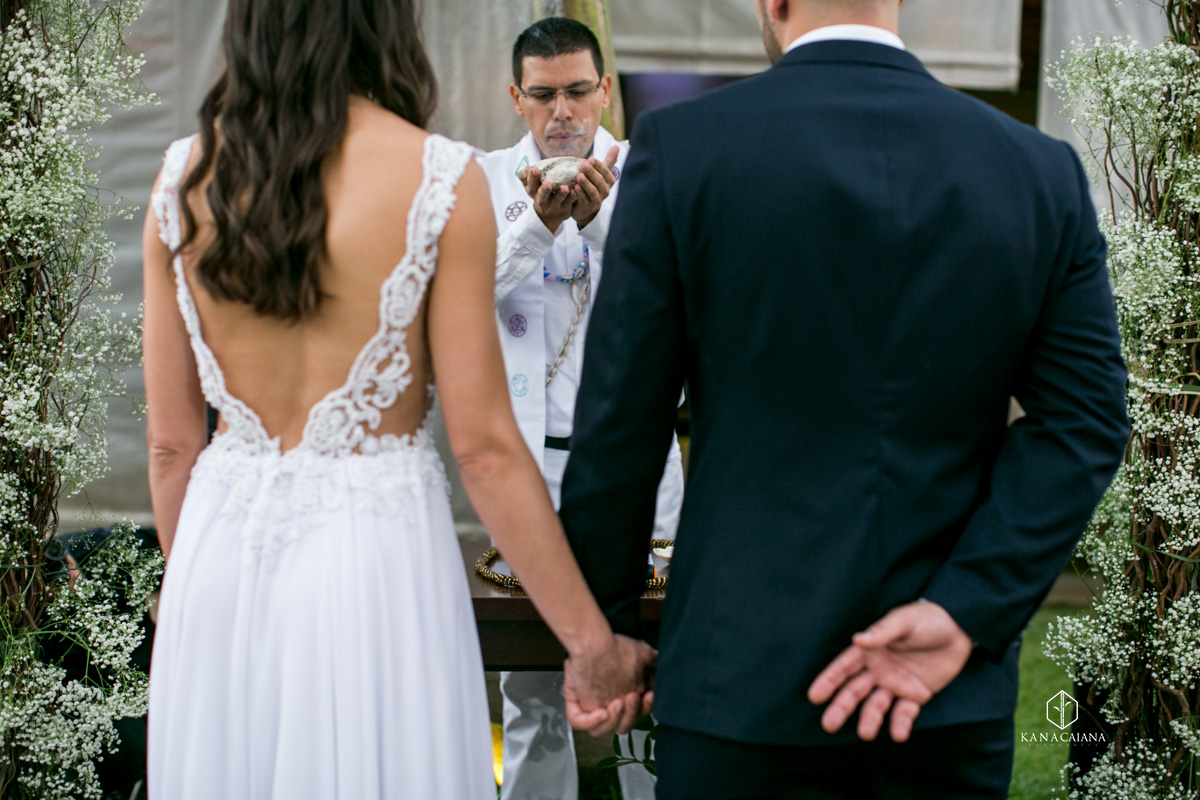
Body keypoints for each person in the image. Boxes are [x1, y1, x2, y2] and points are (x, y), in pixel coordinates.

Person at [557, 0, 1130, 798]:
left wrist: (607, 627)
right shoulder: (1038, 169)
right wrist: (966, 608)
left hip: (738, 683)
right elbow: (1086, 420)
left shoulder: (685, 148)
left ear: (773, 3)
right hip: (938, 701)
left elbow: (621, 416)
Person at [141, 2, 653, 798]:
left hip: (216, 567)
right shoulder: (439, 178)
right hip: (374, 563)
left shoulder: (181, 179)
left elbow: (173, 450)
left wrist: (199, 599)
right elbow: (483, 450)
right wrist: (592, 643)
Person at [477, 17, 684, 800]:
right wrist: (538, 225)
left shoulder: (648, 173)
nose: (561, 111)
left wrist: (599, 223)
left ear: (604, 90)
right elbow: (463, 298)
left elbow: (680, 296)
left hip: (639, 463)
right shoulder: (487, 179)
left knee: (647, 668)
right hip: (526, 467)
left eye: (576, 91)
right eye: (542, 95)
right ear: (516, 98)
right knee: (532, 682)